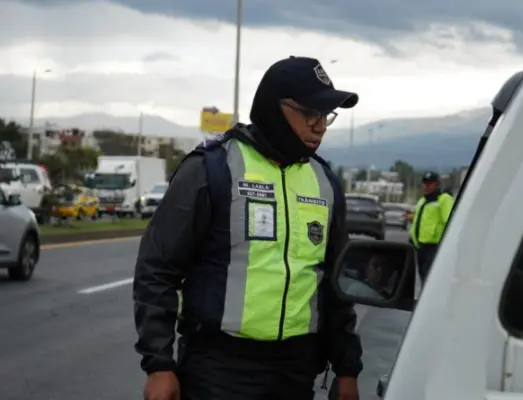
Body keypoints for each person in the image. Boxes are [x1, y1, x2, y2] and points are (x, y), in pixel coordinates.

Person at [133, 56, 362, 400]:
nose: (320, 127)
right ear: (273, 109)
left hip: (296, 372)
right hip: (219, 370)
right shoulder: (212, 169)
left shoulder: (324, 182)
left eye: (326, 115)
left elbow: (336, 286)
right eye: (310, 113)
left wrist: (346, 369)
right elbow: (157, 270)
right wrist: (159, 365)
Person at [409, 171, 454, 283]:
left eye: (430, 184)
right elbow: (421, 218)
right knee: (422, 275)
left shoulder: (444, 199)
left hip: (434, 246)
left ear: (437, 184)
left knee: (429, 277)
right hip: (420, 246)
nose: (426, 186)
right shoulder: (423, 201)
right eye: (425, 184)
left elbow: (449, 221)